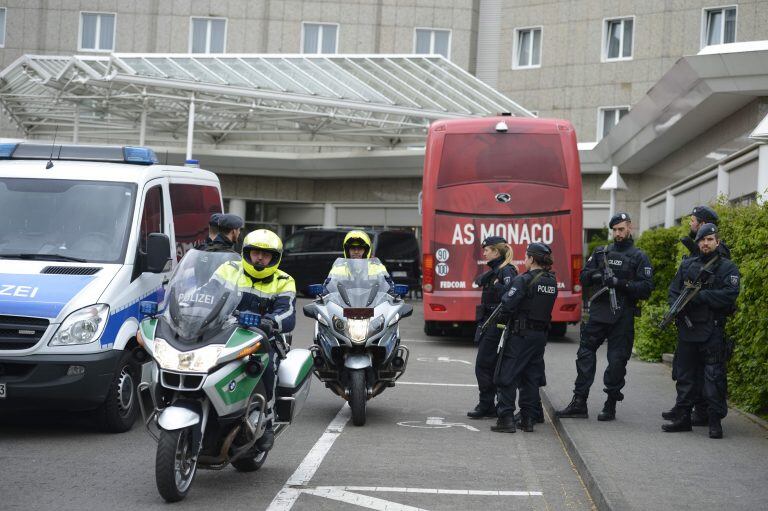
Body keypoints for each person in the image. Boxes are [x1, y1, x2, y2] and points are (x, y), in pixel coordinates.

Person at [555, 212, 653, 421]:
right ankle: (579, 402)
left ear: (630, 228)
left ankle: (610, 404)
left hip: (622, 315)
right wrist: (599, 275)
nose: (618, 233)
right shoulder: (601, 253)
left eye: (621, 229)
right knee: (585, 355)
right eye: (615, 230)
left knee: (617, 362)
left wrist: (620, 283)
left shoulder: (639, 257)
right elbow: (583, 277)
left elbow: (646, 288)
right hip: (599, 313)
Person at [213, 228, 296, 451]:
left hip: (263, 338)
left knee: (266, 367)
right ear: (247, 252)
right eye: (255, 252)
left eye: (266, 254)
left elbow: (287, 314)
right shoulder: (228, 270)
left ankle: (267, 419)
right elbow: (206, 293)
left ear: (274, 258)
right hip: (223, 333)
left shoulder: (284, 280)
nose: (259, 257)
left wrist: (270, 321)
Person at [662, 224, 739, 439]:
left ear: (717, 242)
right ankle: (683, 418)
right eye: (702, 240)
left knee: (713, 377)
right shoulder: (688, 266)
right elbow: (673, 292)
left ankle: (715, 422)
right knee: (685, 376)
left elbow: (730, 295)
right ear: (697, 243)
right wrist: (677, 309)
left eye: (710, 240)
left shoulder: (727, 268)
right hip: (688, 329)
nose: (705, 244)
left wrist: (700, 298)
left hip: (712, 330)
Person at [492, 243, 558, 433]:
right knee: (531, 377)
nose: (525, 260)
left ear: (531, 259)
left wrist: (503, 293)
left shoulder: (524, 280)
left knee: (507, 374)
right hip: (540, 336)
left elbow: (508, 304)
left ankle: (506, 419)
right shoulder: (551, 282)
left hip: (521, 334)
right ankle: (527, 419)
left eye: (527, 257)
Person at [467, 236, 518, 419]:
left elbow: (511, 297)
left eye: (487, 250)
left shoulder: (506, 271)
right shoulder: (496, 270)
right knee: (487, 366)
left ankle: (487, 405)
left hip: (497, 324)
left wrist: (498, 288)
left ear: (496, 251)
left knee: (484, 366)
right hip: (489, 322)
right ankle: (489, 404)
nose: (484, 253)